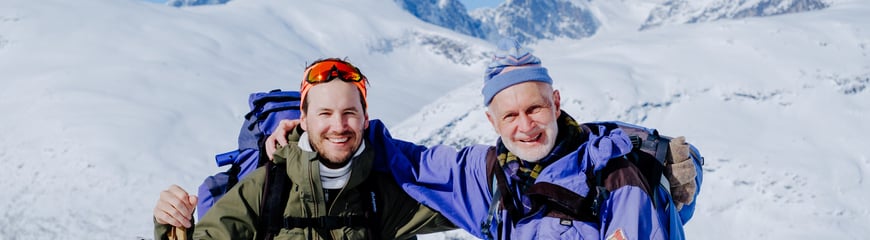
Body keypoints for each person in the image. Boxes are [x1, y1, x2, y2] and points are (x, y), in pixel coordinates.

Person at [266, 39, 702, 240]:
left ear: (556, 103)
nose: (525, 126)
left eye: (534, 109)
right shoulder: (487, 174)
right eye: (510, 115)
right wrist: (306, 135)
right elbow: (405, 159)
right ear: (492, 121)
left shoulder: (614, 177)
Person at [152, 58, 453, 240]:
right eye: (325, 113)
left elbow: (468, 199)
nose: (338, 126)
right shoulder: (265, 188)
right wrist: (172, 225)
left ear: (366, 120)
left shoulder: (383, 193)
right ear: (304, 120)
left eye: (350, 113)